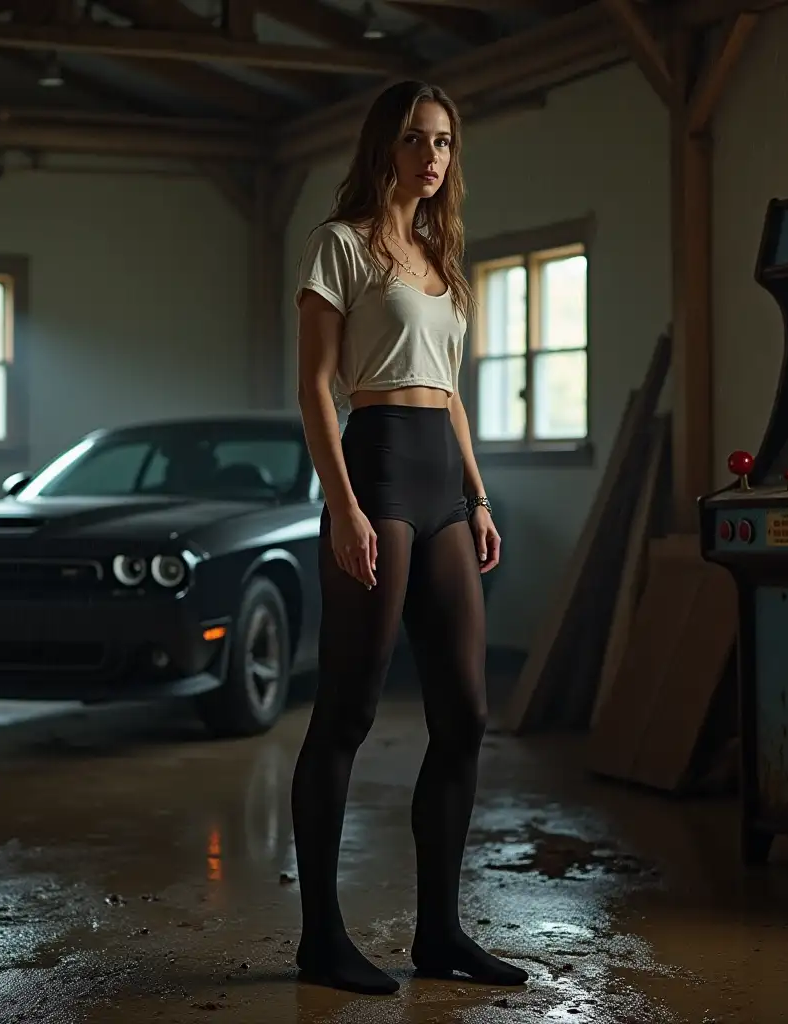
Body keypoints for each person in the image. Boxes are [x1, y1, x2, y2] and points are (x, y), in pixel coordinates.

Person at [289, 80, 529, 996]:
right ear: (385, 146)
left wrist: (479, 496)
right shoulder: (341, 246)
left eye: (445, 143)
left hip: (441, 482)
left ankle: (440, 934)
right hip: (378, 470)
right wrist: (343, 506)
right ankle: (321, 940)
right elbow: (316, 387)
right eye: (418, 139)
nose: (434, 156)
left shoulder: (441, 259)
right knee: (347, 712)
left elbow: (452, 393)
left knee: (464, 714)